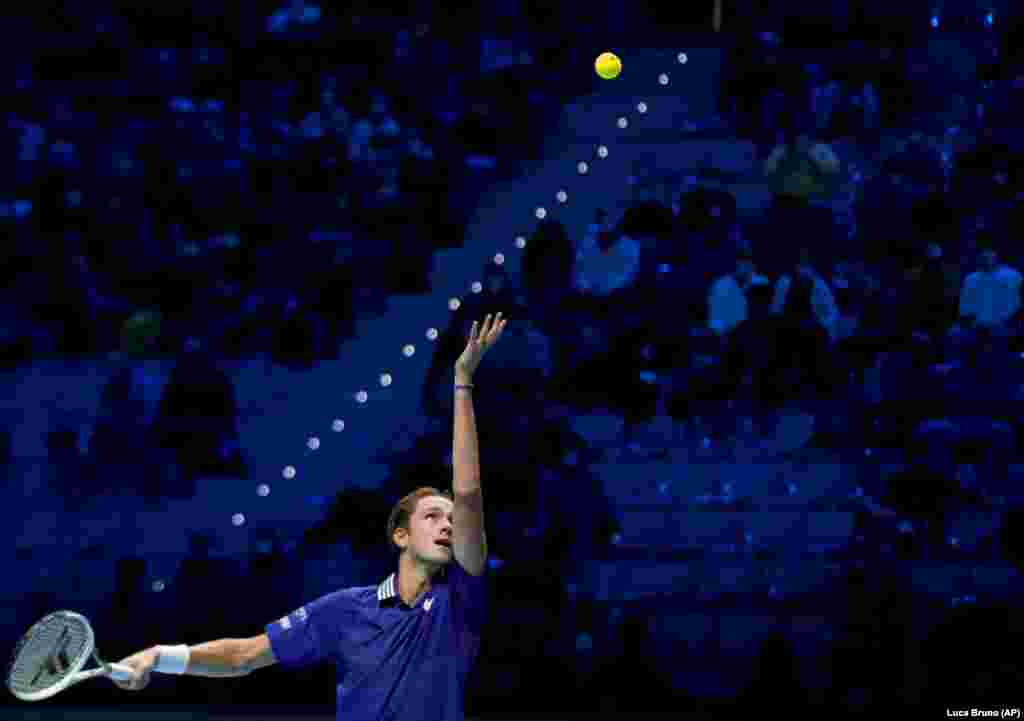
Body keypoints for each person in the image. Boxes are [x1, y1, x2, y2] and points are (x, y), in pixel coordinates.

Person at [109, 314, 509, 721]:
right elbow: (244, 656)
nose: (448, 524)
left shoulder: (458, 601)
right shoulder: (346, 610)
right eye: (432, 516)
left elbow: (468, 493)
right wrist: (160, 657)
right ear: (401, 536)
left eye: (452, 520)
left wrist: (462, 381)